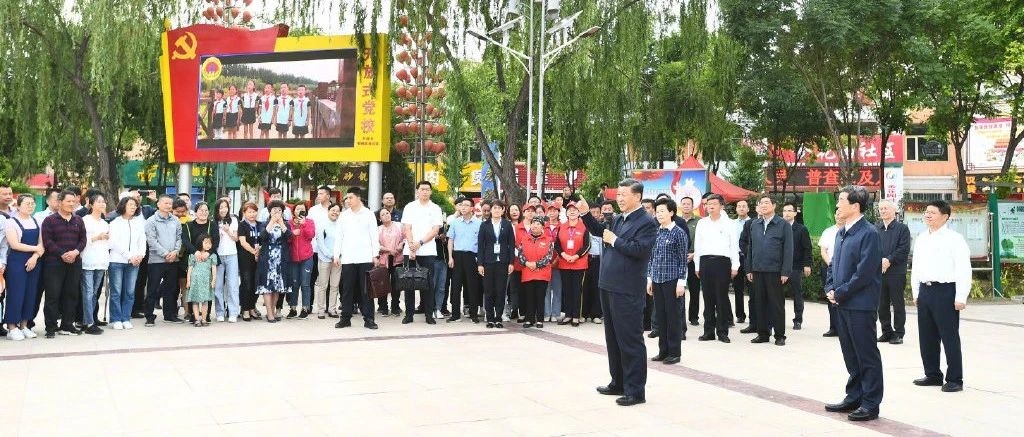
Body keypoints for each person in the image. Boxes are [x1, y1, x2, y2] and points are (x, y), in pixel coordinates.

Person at [578, 179, 658, 407]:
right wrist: (585, 215)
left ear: (637, 197)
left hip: (627, 288)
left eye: (624, 194)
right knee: (612, 338)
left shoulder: (646, 222)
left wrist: (616, 240)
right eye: (619, 194)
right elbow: (600, 232)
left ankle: (635, 390)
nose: (620, 198)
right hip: (608, 284)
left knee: (630, 339)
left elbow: (640, 250)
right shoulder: (618, 219)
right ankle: (618, 382)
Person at [824, 185, 883, 422]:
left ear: (855, 206)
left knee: (866, 355)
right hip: (842, 302)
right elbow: (834, 265)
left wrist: (841, 292)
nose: (837, 204)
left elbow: (865, 272)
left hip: (860, 304)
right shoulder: (841, 232)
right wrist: (830, 287)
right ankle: (854, 396)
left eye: (841, 200)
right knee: (850, 354)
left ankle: (871, 403)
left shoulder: (868, 233)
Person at [909, 199, 971, 393]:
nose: (928, 215)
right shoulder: (921, 238)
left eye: (933, 212)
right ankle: (932, 374)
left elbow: (963, 269)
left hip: (946, 291)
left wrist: (961, 296)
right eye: (926, 212)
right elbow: (916, 267)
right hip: (925, 290)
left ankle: (955, 379)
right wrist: (916, 292)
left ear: (945, 217)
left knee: (949, 336)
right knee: (926, 335)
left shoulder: (955, 239)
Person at [746, 195, 793, 346]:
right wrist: (749, 268)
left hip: (775, 271)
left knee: (776, 304)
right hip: (758, 269)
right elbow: (750, 248)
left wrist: (785, 271)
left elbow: (788, 249)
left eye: (767, 203)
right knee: (759, 303)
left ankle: (780, 335)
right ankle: (763, 333)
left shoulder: (783, 224)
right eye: (761, 203)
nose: (763, 205)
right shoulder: (755, 224)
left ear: (774, 205)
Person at [646, 197, 688, 363]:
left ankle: (674, 353)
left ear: (671, 212)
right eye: (657, 212)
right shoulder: (656, 232)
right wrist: (649, 279)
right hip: (657, 280)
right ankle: (663, 351)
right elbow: (652, 257)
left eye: (662, 211)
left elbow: (682, 260)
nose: (659, 214)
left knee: (673, 317)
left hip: (672, 281)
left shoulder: (679, 233)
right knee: (661, 318)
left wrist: (681, 283)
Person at [41, 190, 88, 337]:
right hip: (54, 263)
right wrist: (62, 253)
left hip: (74, 262)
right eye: (68, 201)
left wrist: (75, 252)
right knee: (53, 295)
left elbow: (83, 240)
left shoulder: (78, 220)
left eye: (73, 202)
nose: (71, 204)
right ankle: (51, 327)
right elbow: (47, 241)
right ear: (60, 202)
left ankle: (67, 325)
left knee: (71, 294)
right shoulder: (49, 220)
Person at [693, 193, 739, 343]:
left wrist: (735, 266)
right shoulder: (702, 223)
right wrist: (697, 265)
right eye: (708, 203)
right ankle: (708, 331)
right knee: (707, 298)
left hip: (722, 262)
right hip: (705, 262)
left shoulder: (729, 224)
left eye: (714, 203)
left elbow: (734, 246)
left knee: (721, 298)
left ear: (721, 206)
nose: (710, 206)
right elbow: (698, 246)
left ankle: (722, 331)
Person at [334, 188, 380, 329]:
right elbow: (339, 236)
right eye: (347, 198)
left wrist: (375, 254)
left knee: (366, 290)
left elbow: (374, 235)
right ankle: (345, 318)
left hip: (365, 257)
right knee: (347, 289)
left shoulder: (368, 214)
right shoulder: (344, 215)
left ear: (359, 198)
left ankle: (369, 319)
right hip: (348, 258)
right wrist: (337, 255)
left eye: (350, 198)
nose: (348, 200)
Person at [401, 181, 442, 324]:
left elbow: (435, 230)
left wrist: (420, 243)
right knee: (409, 284)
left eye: (427, 189)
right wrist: (412, 246)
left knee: (428, 284)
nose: (425, 191)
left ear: (431, 192)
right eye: (422, 189)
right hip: (410, 251)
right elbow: (407, 228)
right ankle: (409, 315)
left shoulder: (435, 208)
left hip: (428, 251)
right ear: (417, 191)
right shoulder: (410, 207)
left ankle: (428, 315)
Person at [4, 195, 44, 340]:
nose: (31, 206)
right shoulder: (11, 222)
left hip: (34, 261)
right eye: (27, 203)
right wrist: (36, 249)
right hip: (17, 261)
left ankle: (24, 325)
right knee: (16, 293)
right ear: (18, 206)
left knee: (30, 293)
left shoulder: (37, 221)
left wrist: (34, 257)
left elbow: (42, 245)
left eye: (33, 203)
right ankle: (12, 327)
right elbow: (15, 244)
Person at [145, 195, 184, 326]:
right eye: (166, 203)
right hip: (156, 261)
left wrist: (175, 252)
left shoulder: (176, 220)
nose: (168, 205)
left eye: (170, 203)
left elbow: (179, 238)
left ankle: (169, 314)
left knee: (171, 289)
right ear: (158, 205)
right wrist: (166, 253)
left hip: (173, 259)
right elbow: (151, 241)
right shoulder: (151, 221)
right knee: (153, 288)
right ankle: (149, 316)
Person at [108, 196, 146, 330]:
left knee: (130, 292)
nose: (133, 207)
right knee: (116, 291)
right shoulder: (115, 223)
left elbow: (142, 241)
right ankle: (116, 319)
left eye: (135, 205)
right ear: (123, 205)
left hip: (135, 262)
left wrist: (141, 255)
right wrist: (129, 256)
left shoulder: (139, 222)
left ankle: (126, 317)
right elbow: (113, 242)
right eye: (130, 204)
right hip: (117, 261)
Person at [876, 199, 910, 344]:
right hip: (879, 272)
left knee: (897, 303)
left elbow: (903, 249)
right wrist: (879, 261)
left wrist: (889, 260)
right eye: (881, 209)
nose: (883, 211)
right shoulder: (875, 228)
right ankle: (886, 331)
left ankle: (899, 333)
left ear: (894, 211)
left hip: (896, 272)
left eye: (886, 208)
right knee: (881, 304)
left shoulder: (902, 229)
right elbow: (870, 247)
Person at [477, 200, 515, 328]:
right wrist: (480, 264)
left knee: (500, 291)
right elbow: (481, 246)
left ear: (503, 210)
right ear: (491, 210)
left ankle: (498, 317)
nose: (497, 210)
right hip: (488, 262)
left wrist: (511, 262)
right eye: (494, 208)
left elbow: (511, 245)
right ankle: (490, 318)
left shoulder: (507, 225)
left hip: (503, 262)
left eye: (499, 208)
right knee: (488, 291)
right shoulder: (484, 225)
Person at [446, 197, 481, 323]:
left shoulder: (479, 223)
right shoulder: (455, 222)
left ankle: (473, 314)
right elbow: (450, 240)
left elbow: (481, 243)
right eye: (461, 205)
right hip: (457, 256)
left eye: (466, 205)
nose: (463, 207)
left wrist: (480, 261)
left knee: (472, 286)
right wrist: (450, 257)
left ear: (472, 208)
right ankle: (455, 314)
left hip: (472, 256)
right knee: (455, 286)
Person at [555, 202, 590, 326]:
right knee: (567, 290)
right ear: (566, 213)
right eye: (570, 209)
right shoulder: (561, 227)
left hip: (579, 264)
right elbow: (557, 245)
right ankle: (568, 315)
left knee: (577, 290)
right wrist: (564, 255)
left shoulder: (584, 227)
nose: (572, 211)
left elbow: (587, 245)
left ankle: (576, 315)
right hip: (564, 263)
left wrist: (576, 256)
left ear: (579, 212)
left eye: (575, 209)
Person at [182, 202, 218, 323]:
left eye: (206, 210)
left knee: (207, 287)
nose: (203, 212)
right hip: (193, 259)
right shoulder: (188, 225)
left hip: (208, 258)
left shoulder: (212, 225)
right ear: (196, 212)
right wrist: (195, 252)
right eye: (201, 210)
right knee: (194, 287)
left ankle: (205, 315)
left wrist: (209, 253)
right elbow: (186, 241)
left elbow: (216, 240)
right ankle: (194, 315)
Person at [80, 193, 110, 335]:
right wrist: (96, 237)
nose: (102, 204)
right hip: (87, 260)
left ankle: (88, 320)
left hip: (101, 260)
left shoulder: (105, 223)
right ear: (91, 204)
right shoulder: (84, 220)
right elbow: (81, 240)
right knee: (88, 292)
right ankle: (88, 322)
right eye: (98, 202)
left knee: (94, 293)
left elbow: (108, 243)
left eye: (103, 202)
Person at [257, 201, 291, 322]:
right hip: (267, 259)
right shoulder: (264, 224)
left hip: (281, 259)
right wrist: (271, 222)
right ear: (270, 211)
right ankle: (269, 313)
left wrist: (282, 224)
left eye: (279, 210)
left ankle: (272, 309)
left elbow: (290, 237)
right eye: (274, 210)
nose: (277, 212)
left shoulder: (286, 224)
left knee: (277, 287)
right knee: (267, 286)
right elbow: (261, 237)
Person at [517, 215, 554, 328]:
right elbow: (520, 254)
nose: (535, 226)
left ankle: (540, 320)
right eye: (533, 223)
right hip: (528, 272)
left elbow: (549, 256)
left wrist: (537, 264)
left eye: (538, 224)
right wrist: (527, 263)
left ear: (543, 227)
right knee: (529, 297)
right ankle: (529, 319)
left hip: (542, 273)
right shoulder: (524, 239)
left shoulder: (549, 240)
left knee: (540, 296)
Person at [782, 202, 812, 330]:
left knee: (797, 293)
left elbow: (807, 248)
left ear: (795, 213)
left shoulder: (801, 229)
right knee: (777, 294)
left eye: (790, 210)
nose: (787, 213)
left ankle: (798, 319)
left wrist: (807, 264)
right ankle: (778, 319)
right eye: (784, 210)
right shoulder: (778, 227)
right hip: (780, 267)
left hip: (796, 266)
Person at [286, 203, 316, 319]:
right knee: (294, 284)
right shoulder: (289, 223)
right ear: (294, 211)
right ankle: (292, 308)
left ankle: (305, 308)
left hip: (306, 257)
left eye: (302, 209)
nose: (300, 211)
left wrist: (303, 225)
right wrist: (293, 233)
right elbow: (287, 239)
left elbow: (311, 235)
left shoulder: (309, 222)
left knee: (305, 284)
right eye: (298, 209)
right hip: (293, 258)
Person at [213, 199, 240, 322]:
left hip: (231, 255)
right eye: (221, 207)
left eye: (226, 207)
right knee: (217, 285)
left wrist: (227, 230)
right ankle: (219, 311)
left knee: (233, 284)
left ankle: (233, 312)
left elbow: (236, 238)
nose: (223, 209)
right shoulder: (213, 222)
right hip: (218, 255)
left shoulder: (233, 220)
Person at [313, 203, 342, 319]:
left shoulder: (341, 225)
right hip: (325, 258)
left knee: (335, 285)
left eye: (337, 211)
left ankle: (332, 309)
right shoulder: (322, 225)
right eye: (333, 210)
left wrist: (338, 256)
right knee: (322, 285)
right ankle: (320, 309)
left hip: (338, 260)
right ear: (328, 211)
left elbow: (343, 242)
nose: (335, 212)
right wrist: (331, 255)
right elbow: (320, 243)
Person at [819, 213, 846, 337]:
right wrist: (831, 264)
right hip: (830, 268)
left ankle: (844, 328)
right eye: (837, 214)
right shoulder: (828, 231)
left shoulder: (849, 230)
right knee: (831, 297)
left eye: (841, 214)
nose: (839, 216)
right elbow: (823, 250)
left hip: (845, 269)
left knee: (844, 297)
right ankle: (833, 327)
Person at [237, 202, 263, 321]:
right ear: (244, 213)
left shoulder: (260, 224)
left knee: (256, 283)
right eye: (249, 212)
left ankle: (252, 307)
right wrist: (254, 252)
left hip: (259, 258)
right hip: (246, 258)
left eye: (254, 211)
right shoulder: (242, 225)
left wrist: (259, 251)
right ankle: (245, 309)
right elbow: (243, 242)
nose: (252, 214)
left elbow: (263, 239)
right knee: (246, 283)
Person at [376, 207, 405, 315]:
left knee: (396, 284)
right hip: (384, 260)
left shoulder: (399, 225)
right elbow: (376, 244)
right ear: (380, 218)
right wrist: (389, 250)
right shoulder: (378, 229)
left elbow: (405, 237)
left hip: (398, 259)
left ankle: (395, 307)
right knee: (383, 284)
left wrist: (401, 245)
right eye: (383, 214)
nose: (386, 215)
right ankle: (383, 307)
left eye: (387, 213)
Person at [679, 197, 701, 327]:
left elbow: (703, 240)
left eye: (688, 204)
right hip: (678, 259)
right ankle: (679, 317)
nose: (686, 206)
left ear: (693, 206)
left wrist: (694, 254)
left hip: (694, 257)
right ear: (680, 206)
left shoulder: (700, 221)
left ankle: (694, 317)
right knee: (679, 289)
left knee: (694, 289)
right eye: (684, 204)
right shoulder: (675, 220)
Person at [187, 234, 218, 327]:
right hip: (195, 281)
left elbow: (214, 269)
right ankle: (197, 319)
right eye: (206, 243)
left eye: (210, 243)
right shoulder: (193, 255)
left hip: (206, 282)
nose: (209, 245)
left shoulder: (212, 256)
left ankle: (204, 319)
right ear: (200, 243)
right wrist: (188, 281)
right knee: (195, 301)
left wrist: (213, 281)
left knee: (205, 301)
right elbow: (190, 269)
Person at [582, 202, 604, 324]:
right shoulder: (583, 226)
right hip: (585, 259)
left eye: (597, 212)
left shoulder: (603, 227)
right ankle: (584, 313)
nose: (595, 215)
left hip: (598, 260)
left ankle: (595, 314)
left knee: (597, 286)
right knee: (585, 286)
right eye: (593, 212)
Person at [543, 204, 563, 322]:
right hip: (544, 263)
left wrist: (557, 260)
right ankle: (546, 312)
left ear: (558, 212)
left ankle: (556, 313)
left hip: (558, 262)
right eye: (550, 210)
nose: (552, 213)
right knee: (545, 289)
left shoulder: (562, 227)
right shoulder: (543, 227)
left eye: (554, 210)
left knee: (557, 288)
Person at [732, 200, 751, 324]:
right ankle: (740, 315)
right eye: (739, 206)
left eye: (744, 206)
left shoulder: (753, 223)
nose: (741, 208)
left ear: (748, 209)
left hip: (749, 257)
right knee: (737, 288)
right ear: (736, 209)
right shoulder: (731, 224)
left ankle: (753, 315)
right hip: (736, 257)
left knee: (752, 287)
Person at [504, 203, 523, 322]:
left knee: (521, 287)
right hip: (508, 260)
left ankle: (521, 309)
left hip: (522, 261)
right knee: (510, 288)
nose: (514, 212)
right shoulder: (505, 225)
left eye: (516, 210)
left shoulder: (524, 225)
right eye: (512, 210)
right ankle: (511, 309)